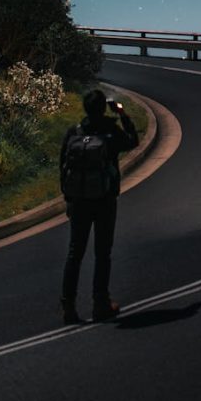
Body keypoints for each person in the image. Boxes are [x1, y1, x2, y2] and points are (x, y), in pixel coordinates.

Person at [60, 88, 138, 324]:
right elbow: (133, 141)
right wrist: (123, 115)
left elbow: (62, 168)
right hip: (104, 201)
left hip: (79, 202)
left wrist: (69, 198)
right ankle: (100, 303)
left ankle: (69, 306)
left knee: (75, 253)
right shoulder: (109, 133)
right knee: (102, 253)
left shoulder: (73, 132)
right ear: (104, 108)